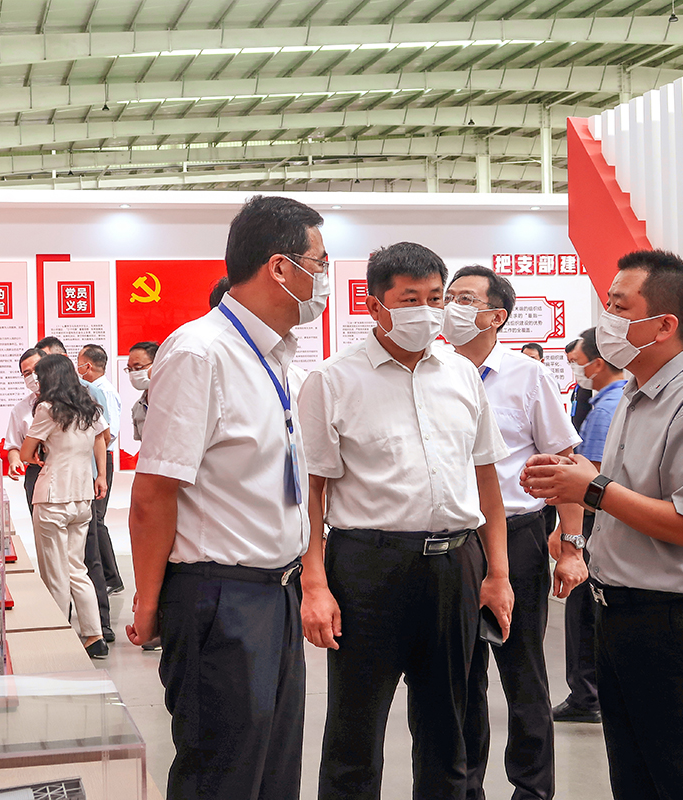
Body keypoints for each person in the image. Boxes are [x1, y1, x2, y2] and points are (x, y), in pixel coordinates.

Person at [521, 250, 683, 800]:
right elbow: (631, 494)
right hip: (620, 615)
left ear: (664, 325)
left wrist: (593, 489)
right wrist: (577, 496)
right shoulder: (635, 391)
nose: (606, 319)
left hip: (675, 624)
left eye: (619, 307)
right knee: (635, 780)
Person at [128, 194, 326, 800]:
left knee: (273, 774)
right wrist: (148, 602)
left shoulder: (275, 356)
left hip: (276, 593)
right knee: (222, 777)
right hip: (219, 598)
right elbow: (154, 492)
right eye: (319, 262)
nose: (324, 277)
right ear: (280, 268)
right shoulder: (200, 353)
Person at [298, 242, 511, 800]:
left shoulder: (462, 375)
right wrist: (315, 583)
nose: (427, 310)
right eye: (410, 299)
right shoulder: (332, 380)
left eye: (436, 298)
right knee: (354, 733)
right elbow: (312, 492)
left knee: (449, 730)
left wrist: (498, 573)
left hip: (455, 566)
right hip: (368, 569)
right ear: (375, 306)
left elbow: (486, 480)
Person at [439, 264, 587, 800]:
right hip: (455, 543)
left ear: (496, 316)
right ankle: (466, 788)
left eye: (465, 299)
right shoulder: (434, 371)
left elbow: (565, 463)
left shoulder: (528, 377)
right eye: (449, 297)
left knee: (522, 670)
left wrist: (571, 546)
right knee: (461, 675)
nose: (451, 308)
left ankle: (532, 789)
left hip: (519, 536)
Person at [553, 327, 627, 724]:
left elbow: (590, 482)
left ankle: (586, 696)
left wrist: (567, 534)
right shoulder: (620, 400)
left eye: (577, 364)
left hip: (594, 524)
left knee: (582, 612)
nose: (575, 371)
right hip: (610, 524)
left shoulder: (604, 409)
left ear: (597, 364)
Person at [20, 353, 110, 658]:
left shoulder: (47, 409)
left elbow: (25, 453)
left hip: (52, 497)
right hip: (82, 498)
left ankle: (58, 636)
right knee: (77, 568)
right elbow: (102, 439)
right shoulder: (89, 407)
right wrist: (102, 476)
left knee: (54, 572)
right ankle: (94, 636)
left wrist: (37, 454)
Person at [77, 343, 124, 595]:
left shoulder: (104, 392)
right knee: (93, 520)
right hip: (94, 458)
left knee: (97, 520)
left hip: (101, 458)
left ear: (88, 366)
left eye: (79, 363)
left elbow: (109, 433)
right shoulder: (92, 390)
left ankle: (111, 578)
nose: (77, 368)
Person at [4, 348, 43, 509]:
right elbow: (13, 446)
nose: (33, 376)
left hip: (67, 471)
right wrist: (15, 461)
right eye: (27, 373)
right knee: (40, 522)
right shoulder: (21, 409)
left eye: (37, 369)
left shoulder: (71, 400)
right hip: (36, 473)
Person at [126, 341, 159, 442]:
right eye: (130, 369)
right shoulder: (138, 407)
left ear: (157, 364)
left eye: (138, 367)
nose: (133, 373)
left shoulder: (176, 401)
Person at [566, 339, 593, 432]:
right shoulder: (580, 385)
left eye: (575, 360)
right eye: (570, 362)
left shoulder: (595, 386)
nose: (573, 365)